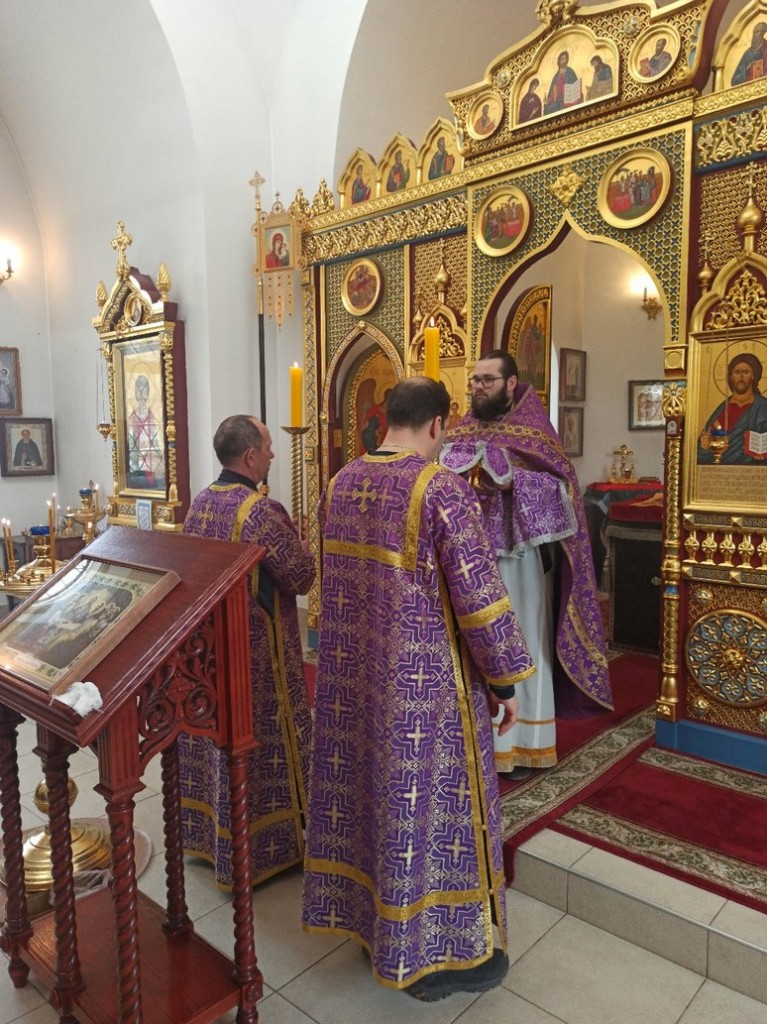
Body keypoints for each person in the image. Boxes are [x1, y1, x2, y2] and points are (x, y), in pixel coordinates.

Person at [303, 377, 534, 1000]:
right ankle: (434, 952)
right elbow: (478, 595)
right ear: (438, 425)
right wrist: (504, 676)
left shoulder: (340, 482)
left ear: (385, 419)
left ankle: (376, 928)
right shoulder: (440, 488)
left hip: (354, 679)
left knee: (372, 799)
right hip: (425, 689)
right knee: (430, 811)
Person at [442, 351, 612, 779]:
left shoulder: (535, 431)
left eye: (487, 380)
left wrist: (510, 478)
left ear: (511, 383)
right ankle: (475, 743)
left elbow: (562, 491)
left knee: (521, 642)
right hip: (466, 560)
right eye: (475, 380)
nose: (478, 387)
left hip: (517, 559)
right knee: (470, 644)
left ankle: (522, 746)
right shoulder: (460, 429)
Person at [178, 414, 316, 888]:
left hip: (212, 652)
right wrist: (305, 548)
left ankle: (210, 839)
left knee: (217, 741)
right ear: (251, 456)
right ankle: (264, 847)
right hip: (258, 661)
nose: (273, 455)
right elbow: (299, 577)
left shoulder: (200, 503)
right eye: (269, 447)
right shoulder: (260, 512)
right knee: (258, 745)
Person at [698, 353, 767, 464]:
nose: (741, 377)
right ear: (730, 377)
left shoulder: (763, 407)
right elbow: (701, 452)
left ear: (753, 376)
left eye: (746, 372)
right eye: (737, 372)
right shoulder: (721, 409)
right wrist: (703, 447)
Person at [127, 373, 164, 489]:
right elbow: (130, 443)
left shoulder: (152, 417)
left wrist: (159, 457)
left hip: (152, 464)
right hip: (137, 467)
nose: (141, 390)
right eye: (139, 387)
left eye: (144, 387)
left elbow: (157, 441)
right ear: (135, 391)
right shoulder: (132, 418)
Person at [544, 50, 582, 114]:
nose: (564, 61)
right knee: (547, 109)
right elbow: (552, 93)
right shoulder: (556, 77)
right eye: (562, 59)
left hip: (569, 100)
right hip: (557, 102)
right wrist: (548, 100)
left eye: (565, 59)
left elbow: (576, 87)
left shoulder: (570, 72)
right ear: (558, 62)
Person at [731, 21, 767, 86]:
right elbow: (734, 80)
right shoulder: (747, 54)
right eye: (753, 32)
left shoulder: (765, 48)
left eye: (757, 32)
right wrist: (746, 71)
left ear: (762, 33)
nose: (754, 35)